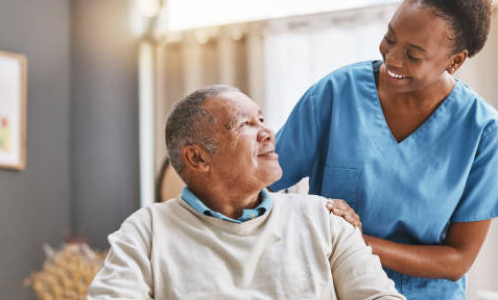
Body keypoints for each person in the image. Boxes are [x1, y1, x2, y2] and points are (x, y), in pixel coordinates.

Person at [270, 0, 498, 299]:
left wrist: (350, 239)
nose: (392, 59)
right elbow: (257, 180)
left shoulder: (482, 130)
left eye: (413, 55)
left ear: (454, 61)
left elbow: (457, 260)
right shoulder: (336, 93)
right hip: (328, 289)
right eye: (389, 38)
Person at [87, 85, 405, 300]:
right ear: (197, 158)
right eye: (245, 125)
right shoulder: (146, 231)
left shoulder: (324, 218)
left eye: (262, 119)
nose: (268, 133)